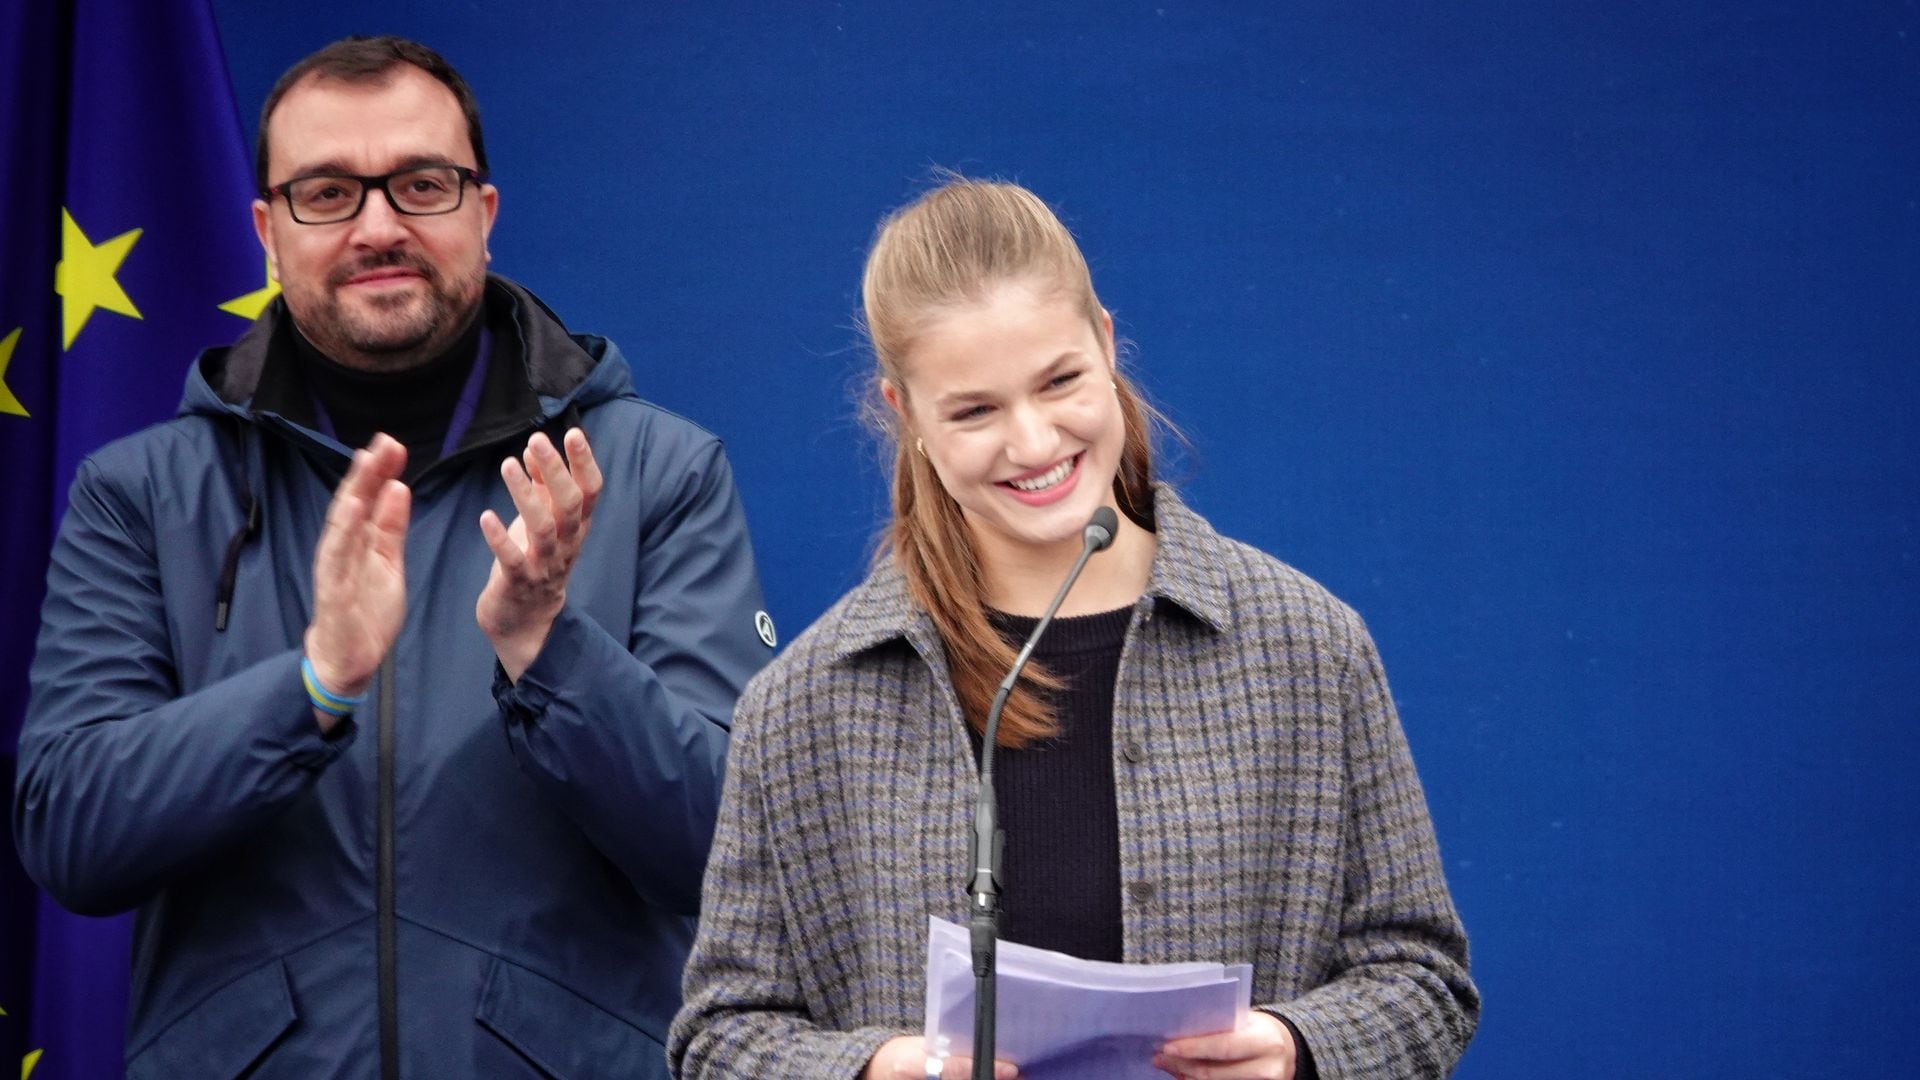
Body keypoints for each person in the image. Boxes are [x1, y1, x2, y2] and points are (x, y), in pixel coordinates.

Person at [13, 36, 773, 1080]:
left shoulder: (654, 471)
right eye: (328, 191)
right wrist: (313, 685)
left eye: (421, 184)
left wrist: (550, 654)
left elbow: (727, 852)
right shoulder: (138, 494)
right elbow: (71, 836)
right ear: (267, 231)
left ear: (484, 214)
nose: (379, 226)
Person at [668, 179, 1478, 1080]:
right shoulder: (804, 704)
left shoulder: (1308, 647)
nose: (1034, 441)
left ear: (1106, 339)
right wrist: (865, 1071)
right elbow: (719, 1034)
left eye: (1060, 382)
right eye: (974, 410)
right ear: (906, 418)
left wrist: (1299, 1050)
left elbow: (1426, 979)